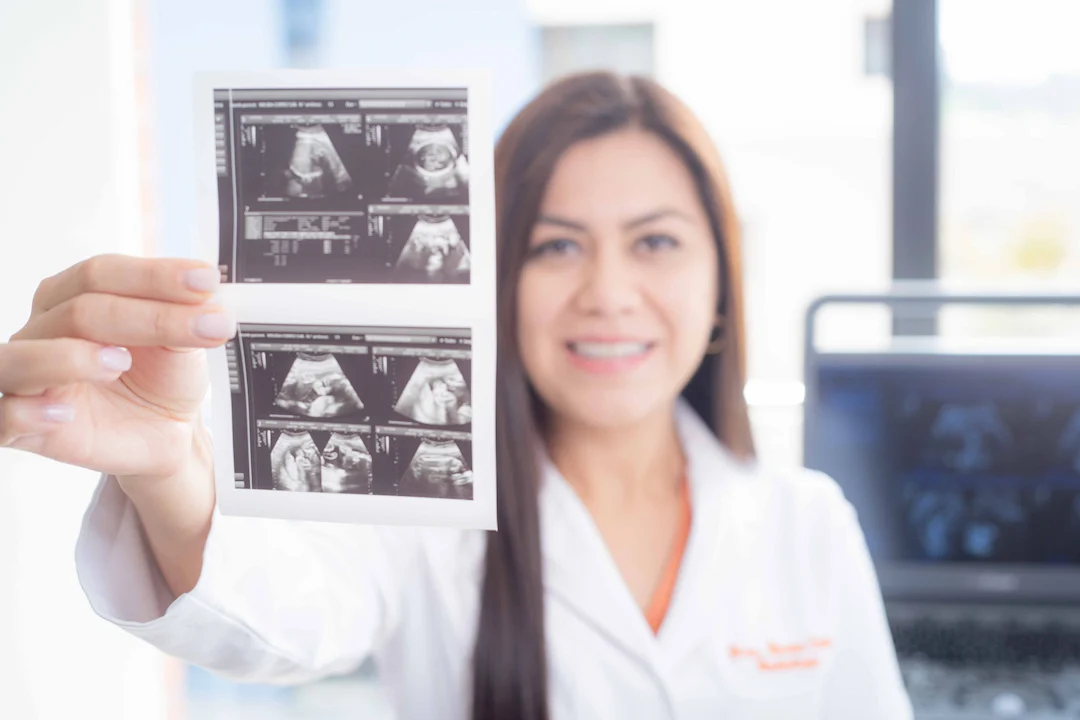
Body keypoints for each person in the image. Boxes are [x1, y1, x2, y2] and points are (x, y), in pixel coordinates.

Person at [0, 73, 912, 719]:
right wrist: (169, 465)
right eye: (555, 246)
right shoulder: (427, 509)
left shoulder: (807, 525)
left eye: (656, 243)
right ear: (492, 282)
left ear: (722, 281)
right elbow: (282, 618)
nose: (607, 293)